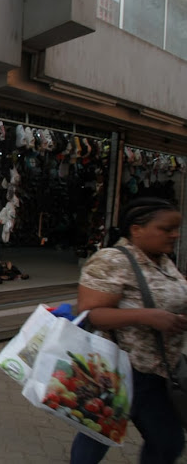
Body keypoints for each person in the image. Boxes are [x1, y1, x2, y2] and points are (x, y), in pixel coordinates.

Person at [70, 197, 187, 464]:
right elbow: (91, 313)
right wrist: (149, 316)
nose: (175, 234)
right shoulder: (111, 260)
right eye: (166, 228)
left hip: (159, 373)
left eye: (176, 228)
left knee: (168, 443)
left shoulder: (164, 261)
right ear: (137, 229)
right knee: (95, 441)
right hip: (119, 373)